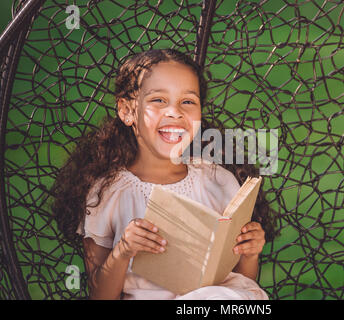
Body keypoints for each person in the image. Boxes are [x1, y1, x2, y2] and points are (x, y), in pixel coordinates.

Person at [51, 49, 277, 300]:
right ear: (126, 110)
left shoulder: (217, 180)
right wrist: (123, 251)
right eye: (158, 100)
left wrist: (250, 253)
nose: (175, 112)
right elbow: (100, 296)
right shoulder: (109, 193)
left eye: (188, 102)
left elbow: (243, 282)